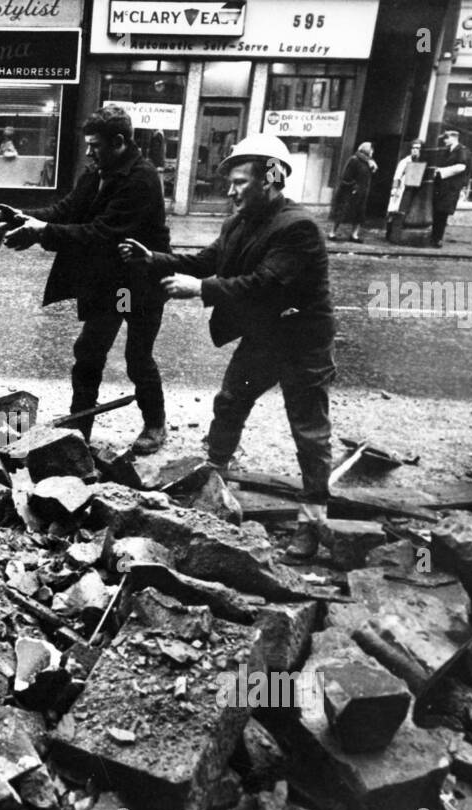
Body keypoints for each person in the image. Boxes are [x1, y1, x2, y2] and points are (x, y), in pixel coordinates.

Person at [119, 133, 336, 558]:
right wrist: (155, 259)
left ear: (271, 179)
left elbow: (265, 285)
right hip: (264, 336)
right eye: (231, 182)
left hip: (301, 340)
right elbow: (206, 262)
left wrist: (200, 288)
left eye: (240, 182)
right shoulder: (238, 222)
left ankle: (313, 520)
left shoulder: (299, 228)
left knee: (308, 429)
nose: (231, 191)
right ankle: (214, 479)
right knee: (230, 400)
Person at [0, 106, 170, 454]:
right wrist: (21, 218)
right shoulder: (97, 172)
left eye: (95, 145)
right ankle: (78, 427)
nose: (88, 151)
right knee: (89, 351)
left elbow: (102, 234)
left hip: (135, 287)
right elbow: (64, 211)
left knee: (137, 356)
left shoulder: (142, 179)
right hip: (111, 283)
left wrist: (42, 234)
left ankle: (156, 423)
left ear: (118, 142)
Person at [329, 141, 376, 242]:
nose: (372, 151)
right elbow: (346, 176)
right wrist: (353, 186)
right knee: (341, 212)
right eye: (371, 149)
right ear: (366, 150)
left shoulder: (369, 162)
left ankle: (354, 235)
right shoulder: (354, 160)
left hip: (362, 192)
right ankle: (332, 232)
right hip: (350, 192)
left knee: (359, 214)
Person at [430, 129, 469, 248]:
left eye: (446, 138)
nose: (445, 141)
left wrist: (441, 171)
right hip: (442, 187)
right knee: (437, 212)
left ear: (453, 138)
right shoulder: (448, 151)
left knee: (442, 213)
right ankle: (434, 237)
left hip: (451, 188)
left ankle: (438, 239)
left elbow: (461, 167)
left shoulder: (461, 150)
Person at [388, 138, 423, 214]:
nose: (414, 150)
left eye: (417, 148)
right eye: (413, 148)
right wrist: (394, 189)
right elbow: (397, 176)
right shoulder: (405, 161)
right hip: (403, 189)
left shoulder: (422, 162)